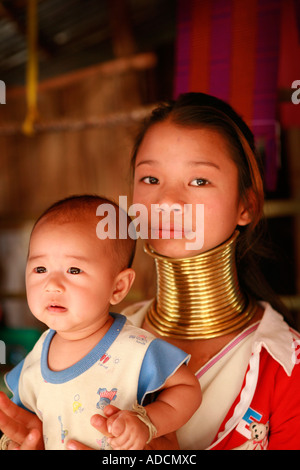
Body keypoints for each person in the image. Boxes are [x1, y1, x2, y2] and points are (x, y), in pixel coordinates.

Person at [1, 92, 300, 450]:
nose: (167, 202)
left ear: (246, 205)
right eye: (151, 180)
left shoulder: (286, 368)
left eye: (199, 180)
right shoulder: (90, 335)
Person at [0, 195, 201, 450]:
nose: (51, 284)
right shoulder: (36, 357)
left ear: (118, 287)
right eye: (40, 269)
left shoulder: (134, 348)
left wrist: (147, 423)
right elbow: (25, 422)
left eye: (74, 270)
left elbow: (187, 387)